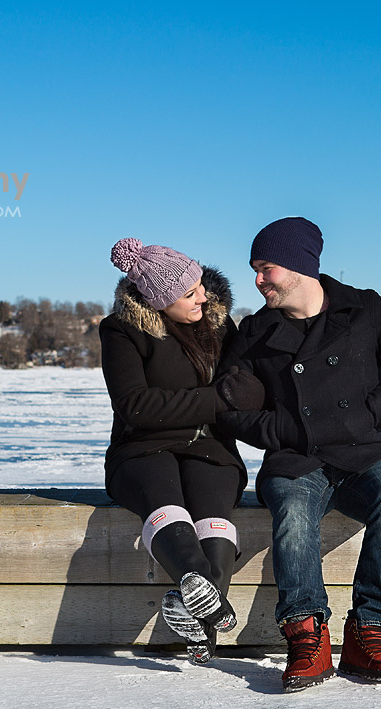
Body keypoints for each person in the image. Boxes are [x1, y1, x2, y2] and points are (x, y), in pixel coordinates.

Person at [218, 217, 381, 691]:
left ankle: (368, 634)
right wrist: (283, 428)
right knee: (294, 512)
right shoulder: (255, 333)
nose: (257, 281)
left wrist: (369, 413)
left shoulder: (365, 311)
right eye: (255, 269)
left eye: (265, 268)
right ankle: (306, 639)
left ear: (297, 266)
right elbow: (230, 408)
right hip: (294, 456)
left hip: (363, 450)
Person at [101, 238, 265, 664]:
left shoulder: (218, 325)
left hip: (209, 447)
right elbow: (136, 406)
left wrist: (237, 397)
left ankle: (201, 619)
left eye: (200, 286)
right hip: (142, 450)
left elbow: (244, 388)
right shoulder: (121, 331)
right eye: (189, 293)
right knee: (165, 498)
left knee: (214, 509)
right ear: (158, 302)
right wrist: (217, 399)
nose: (202, 296)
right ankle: (208, 604)